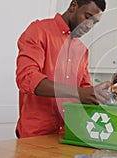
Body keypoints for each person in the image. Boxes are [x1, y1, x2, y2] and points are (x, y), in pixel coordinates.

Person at [15, 0, 111, 138]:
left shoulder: (82, 51)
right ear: (73, 5)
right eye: (88, 17)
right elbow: (27, 78)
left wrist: (101, 96)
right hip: (35, 135)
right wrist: (79, 93)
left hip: (68, 135)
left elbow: (85, 90)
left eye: (94, 22)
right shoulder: (39, 30)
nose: (89, 26)